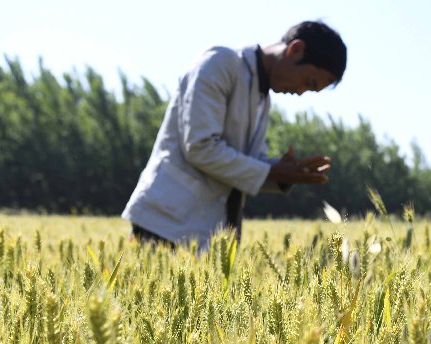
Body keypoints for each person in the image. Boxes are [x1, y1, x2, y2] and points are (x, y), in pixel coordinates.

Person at [122, 21, 346, 248]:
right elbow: (201, 147)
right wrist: (273, 171)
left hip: (206, 236)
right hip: (163, 224)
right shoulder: (219, 63)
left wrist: (285, 174)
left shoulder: (262, 99)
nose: (300, 92)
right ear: (295, 49)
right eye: (308, 82)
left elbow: (247, 163)